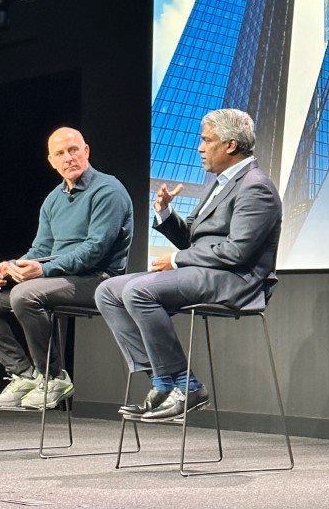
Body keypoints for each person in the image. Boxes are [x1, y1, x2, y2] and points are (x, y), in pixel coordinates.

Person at [95, 107, 281, 422]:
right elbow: (192, 239)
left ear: (230, 145)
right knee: (108, 291)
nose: (200, 147)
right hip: (205, 271)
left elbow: (238, 252)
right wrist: (166, 213)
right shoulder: (219, 183)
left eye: (206, 140)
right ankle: (163, 383)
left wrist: (178, 260)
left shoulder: (255, 186)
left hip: (236, 279)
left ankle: (186, 386)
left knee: (139, 291)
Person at [0, 127, 134, 411]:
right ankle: (25, 375)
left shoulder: (108, 190)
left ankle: (54, 377)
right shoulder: (54, 198)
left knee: (25, 295)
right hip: (58, 278)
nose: (68, 157)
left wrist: (42, 271)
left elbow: (95, 250)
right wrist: (10, 267)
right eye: (60, 153)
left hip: (99, 280)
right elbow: (41, 250)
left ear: (86, 151)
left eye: (73, 150)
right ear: (51, 161)